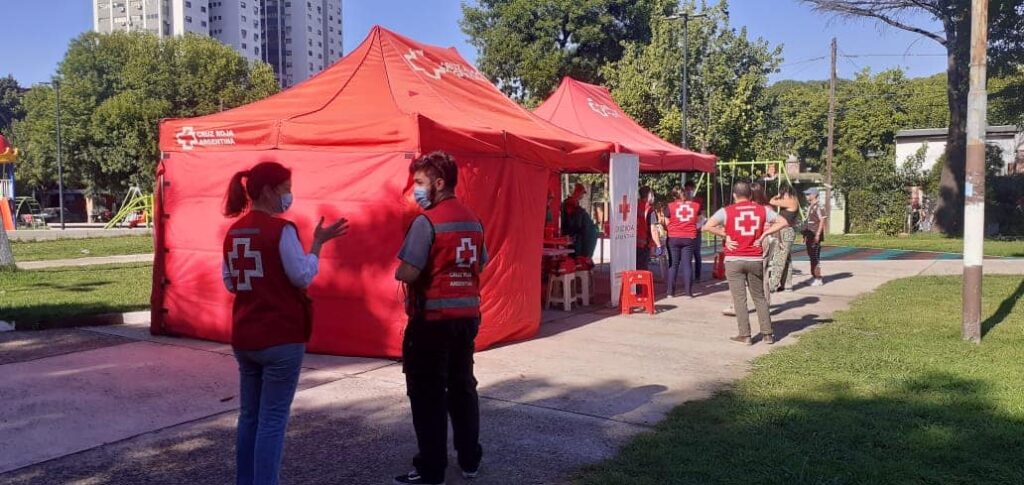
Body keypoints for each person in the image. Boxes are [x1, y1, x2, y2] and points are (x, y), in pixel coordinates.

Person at [221, 161, 348, 485]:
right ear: (268, 191)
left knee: (249, 416)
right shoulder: (281, 230)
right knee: (273, 420)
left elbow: (231, 282)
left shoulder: (234, 232)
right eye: (286, 189)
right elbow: (301, 275)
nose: (289, 196)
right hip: (281, 336)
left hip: (245, 335)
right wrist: (318, 245)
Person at [394, 151, 487, 485]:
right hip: (466, 320)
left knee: (428, 395)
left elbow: (408, 270)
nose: (415, 189)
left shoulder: (427, 221)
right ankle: (470, 459)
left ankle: (432, 470)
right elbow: (481, 262)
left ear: (438, 183)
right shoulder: (473, 220)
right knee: (462, 388)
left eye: (419, 182)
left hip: (431, 321)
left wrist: (401, 268)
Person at [703, 181, 789, 345]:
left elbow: (707, 226)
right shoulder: (763, 210)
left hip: (734, 259)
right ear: (750, 195)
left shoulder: (726, 211)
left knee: (739, 299)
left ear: (734, 195)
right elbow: (783, 222)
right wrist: (764, 234)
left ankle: (745, 335)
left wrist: (725, 235)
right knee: (759, 297)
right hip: (755, 258)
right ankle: (768, 334)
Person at [665, 187, 701, 297]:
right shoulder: (695, 206)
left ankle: (670, 292)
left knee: (673, 265)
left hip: (673, 238)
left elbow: (667, 223)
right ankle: (688, 293)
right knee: (687, 265)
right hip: (689, 238)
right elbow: (699, 221)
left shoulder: (670, 206)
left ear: (674, 196)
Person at [769, 184, 799, 292]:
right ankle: (787, 284)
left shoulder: (791, 200)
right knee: (786, 260)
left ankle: (772, 284)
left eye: (782, 193)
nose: (782, 196)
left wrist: (777, 195)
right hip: (786, 231)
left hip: (785, 232)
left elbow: (772, 201)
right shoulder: (793, 199)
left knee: (779, 258)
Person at [561, 183, 599, 259]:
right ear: (576, 192)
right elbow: (572, 221)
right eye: (581, 193)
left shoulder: (574, 203)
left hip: (580, 230)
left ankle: (585, 258)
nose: (582, 196)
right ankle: (583, 258)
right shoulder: (569, 202)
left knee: (592, 231)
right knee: (590, 232)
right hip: (573, 231)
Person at [803, 187, 828, 287]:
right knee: (811, 256)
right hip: (809, 234)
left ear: (814, 195)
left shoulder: (819, 206)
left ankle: (818, 278)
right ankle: (814, 276)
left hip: (814, 234)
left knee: (815, 257)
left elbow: (822, 220)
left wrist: (818, 234)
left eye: (808, 194)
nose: (807, 196)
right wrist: (805, 235)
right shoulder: (811, 206)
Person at [683, 181, 705, 282]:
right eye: (687, 190)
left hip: (696, 232)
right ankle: (688, 277)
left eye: (691, 190)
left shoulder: (698, 201)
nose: (689, 192)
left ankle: (697, 276)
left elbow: (703, 216)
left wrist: (698, 225)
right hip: (686, 232)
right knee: (687, 255)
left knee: (697, 254)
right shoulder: (682, 202)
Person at [637, 186, 661, 270]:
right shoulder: (650, 211)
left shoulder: (634, 206)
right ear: (649, 195)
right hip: (644, 245)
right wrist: (658, 245)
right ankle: (640, 283)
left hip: (632, 243)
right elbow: (653, 229)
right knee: (642, 269)